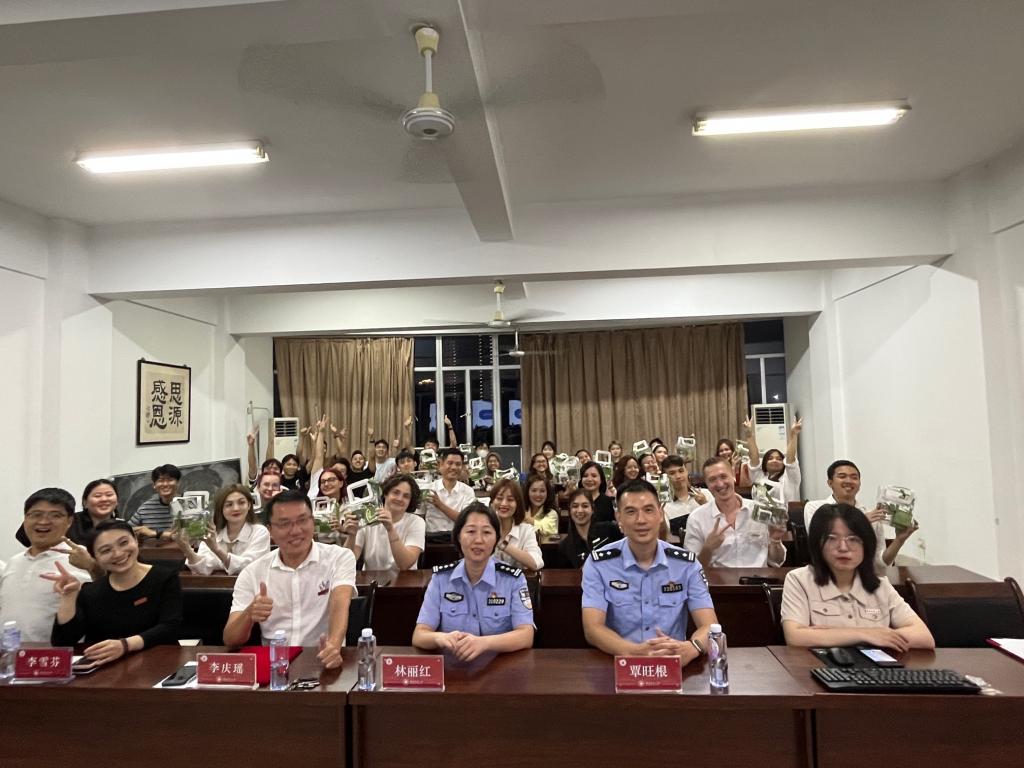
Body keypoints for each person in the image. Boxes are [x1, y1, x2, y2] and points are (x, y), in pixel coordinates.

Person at [581, 480, 717, 661]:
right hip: (619, 662)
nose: (641, 520)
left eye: (648, 510)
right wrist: (635, 652)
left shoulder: (686, 564)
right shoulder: (599, 564)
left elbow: (710, 626)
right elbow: (592, 629)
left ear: (660, 514)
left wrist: (692, 648)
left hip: (673, 663)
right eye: (631, 512)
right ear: (619, 518)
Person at [224, 490, 355, 667]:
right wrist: (249, 614)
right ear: (270, 530)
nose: (296, 531)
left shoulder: (339, 557)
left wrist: (333, 646)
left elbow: (340, 602)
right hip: (275, 667)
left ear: (313, 521)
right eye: (284, 524)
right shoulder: (253, 572)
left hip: (321, 660)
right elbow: (231, 639)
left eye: (302, 520)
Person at [781, 503, 934, 650]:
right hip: (819, 666)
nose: (843, 547)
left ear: (866, 545)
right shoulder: (799, 580)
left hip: (875, 667)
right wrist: (868, 635)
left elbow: (923, 637)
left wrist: (828, 635)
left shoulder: (880, 585)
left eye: (853, 539)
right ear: (817, 543)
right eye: (832, 538)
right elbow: (795, 637)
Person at [48, 519, 183, 667]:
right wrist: (68, 597)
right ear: (95, 557)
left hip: (159, 664)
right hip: (107, 670)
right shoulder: (91, 591)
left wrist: (125, 645)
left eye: (124, 543)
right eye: (106, 550)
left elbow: (170, 627)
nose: (118, 554)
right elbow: (62, 642)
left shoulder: (164, 578)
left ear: (135, 540)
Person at [412, 503, 534, 661]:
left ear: (496, 539)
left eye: (487, 532)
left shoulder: (513, 579)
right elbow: (419, 635)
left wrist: (484, 643)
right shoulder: (441, 579)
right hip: (453, 667)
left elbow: (526, 635)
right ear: (458, 536)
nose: (478, 540)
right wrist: (440, 638)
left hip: (499, 667)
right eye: (470, 531)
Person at [0, 489, 93, 642]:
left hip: (56, 654)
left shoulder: (80, 559)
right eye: (36, 514)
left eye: (55, 515)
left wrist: (92, 567)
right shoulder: (13, 562)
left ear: (69, 521)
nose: (43, 521)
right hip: (10, 652)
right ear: (25, 519)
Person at [803, 460, 919, 571]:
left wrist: (899, 540)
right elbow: (820, 540)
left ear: (859, 484)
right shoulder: (814, 507)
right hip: (827, 574)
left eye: (854, 477)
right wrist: (861, 522)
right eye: (842, 476)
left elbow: (880, 564)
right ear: (830, 483)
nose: (849, 481)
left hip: (863, 577)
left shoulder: (872, 516)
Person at [685, 457, 787, 568]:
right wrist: (708, 549)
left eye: (723, 476)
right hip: (718, 579)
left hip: (758, 578)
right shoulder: (697, 518)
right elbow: (690, 568)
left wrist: (775, 540)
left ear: (733, 475)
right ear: (707, 484)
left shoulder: (761, 510)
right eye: (712, 479)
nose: (720, 484)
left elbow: (777, 561)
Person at [174, 484, 271, 575]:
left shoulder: (260, 532)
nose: (236, 508)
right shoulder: (213, 533)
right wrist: (186, 549)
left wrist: (216, 549)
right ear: (221, 509)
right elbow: (203, 569)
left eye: (241, 503)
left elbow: (250, 568)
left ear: (249, 505)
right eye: (229, 504)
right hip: (217, 586)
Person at [341, 474, 425, 571]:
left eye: (406, 496)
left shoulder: (416, 522)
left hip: (404, 578)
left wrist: (390, 529)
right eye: (395, 492)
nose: (399, 499)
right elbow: (348, 561)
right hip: (372, 577)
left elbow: (405, 564)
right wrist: (351, 536)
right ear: (385, 493)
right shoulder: (367, 517)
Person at [555, 489, 622, 568]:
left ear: (592, 509)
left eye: (585, 506)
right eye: (575, 506)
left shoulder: (610, 530)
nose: (580, 510)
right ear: (569, 510)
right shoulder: (565, 546)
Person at [745, 415, 803, 504]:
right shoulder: (759, 477)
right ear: (765, 463)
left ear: (784, 463)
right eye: (770, 458)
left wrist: (794, 434)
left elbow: (790, 458)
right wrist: (749, 435)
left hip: (788, 512)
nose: (775, 460)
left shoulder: (790, 478)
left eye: (779, 459)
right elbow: (754, 457)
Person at [490, 479, 544, 571]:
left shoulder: (526, 530)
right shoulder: (483, 528)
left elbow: (536, 562)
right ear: (492, 502)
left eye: (510, 499)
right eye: (499, 498)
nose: (504, 503)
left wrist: (502, 543)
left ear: (517, 504)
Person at [423, 448, 477, 536]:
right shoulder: (428, 488)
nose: (453, 467)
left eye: (458, 464)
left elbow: (465, 520)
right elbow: (420, 516)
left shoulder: (468, 491)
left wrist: (440, 505)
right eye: (450, 463)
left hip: (458, 538)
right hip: (432, 539)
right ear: (441, 465)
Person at [127, 464, 181, 540]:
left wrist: (152, 533)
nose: (165, 484)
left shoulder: (188, 504)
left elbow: (192, 536)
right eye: (160, 480)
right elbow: (125, 530)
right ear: (154, 485)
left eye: (170, 480)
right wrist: (140, 531)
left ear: (178, 483)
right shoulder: (145, 508)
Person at [661, 455, 709, 536]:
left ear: (687, 472)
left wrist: (705, 504)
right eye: (672, 473)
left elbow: (719, 521)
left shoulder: (705, 494)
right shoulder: (664, 506)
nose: (678, 476)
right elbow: (664, 536)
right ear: (665, 477)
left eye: (681, 471)